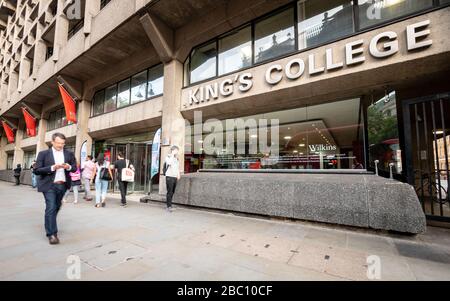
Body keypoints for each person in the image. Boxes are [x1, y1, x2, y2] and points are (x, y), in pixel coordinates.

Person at [34, 133, 77, 245]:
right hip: (49, 185)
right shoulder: (43, 154)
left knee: (56, 207)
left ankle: (50, 220)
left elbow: (75, 168)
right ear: (52, 142)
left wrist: (69, 167)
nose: (60, 145)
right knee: (51, 207)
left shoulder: (69, 153)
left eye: (62, 143)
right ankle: (52, 234)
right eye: (58, 143)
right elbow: (37, 170)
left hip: (62, 185)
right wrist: (53, 167)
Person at [164, 145, 181, 212]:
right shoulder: (168, 157)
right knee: (169, 191)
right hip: (169, 176)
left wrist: (178, 174)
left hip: (174, 177)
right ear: (173, 150)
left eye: (177, 151)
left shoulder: (176, 158)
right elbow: (169, 163)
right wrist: (172, 155)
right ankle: (168, 206)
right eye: (176, 150)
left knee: (172, 191)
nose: (177, 152)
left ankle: (170, 204)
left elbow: (177, 167)